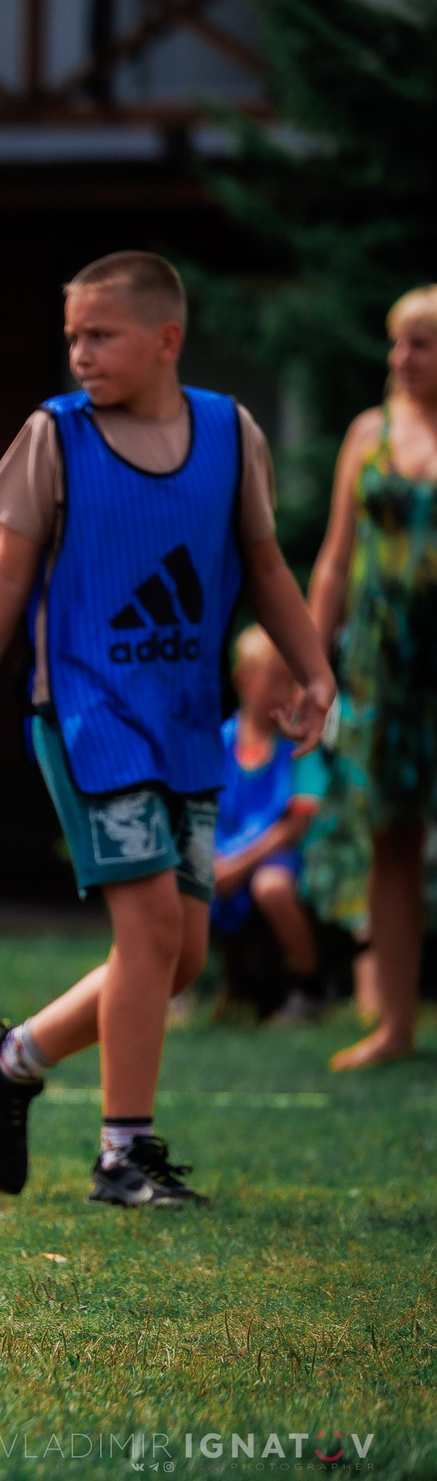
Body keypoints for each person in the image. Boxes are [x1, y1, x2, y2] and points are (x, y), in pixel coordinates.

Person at [0, 253, 331, 1209]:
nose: (80, 354)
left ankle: (11, 1058)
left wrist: (315, 668)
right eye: (72, 336)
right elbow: (1, 578)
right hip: (87, 717)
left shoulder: (231, 433)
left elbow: (267, 564)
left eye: (100, 335)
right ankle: (125, 1156)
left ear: (167, 339)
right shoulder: (54, 437)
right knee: (149, 928)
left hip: (187, 723)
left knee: (179, 954)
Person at [304, 284, 437, 1069]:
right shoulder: (370, 434)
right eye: (398, 343)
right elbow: (332, 559)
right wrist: (311, 662)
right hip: (383, 665)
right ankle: (394, 1025)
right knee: (391, 835)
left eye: (420, 343)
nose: (402, 359)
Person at [209, 626, 327, 1020]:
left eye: (291, 682)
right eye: (276, 680)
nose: (286, 692)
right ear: (243, 679)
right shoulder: (218, 744)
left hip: (279, 858)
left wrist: (240, 864)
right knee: (176, 883)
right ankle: (181, 990)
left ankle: (310, 987)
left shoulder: (300, 749)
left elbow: (296, 825)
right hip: (221, 854)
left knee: (270, 887)